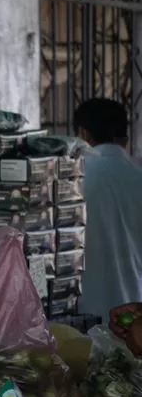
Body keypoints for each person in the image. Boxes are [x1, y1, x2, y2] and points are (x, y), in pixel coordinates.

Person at [73, 99, 142, 325]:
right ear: (125, 138)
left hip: (82, 321)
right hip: (135, 323)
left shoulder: (71, 182)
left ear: (83, 134)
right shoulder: (138, 178)